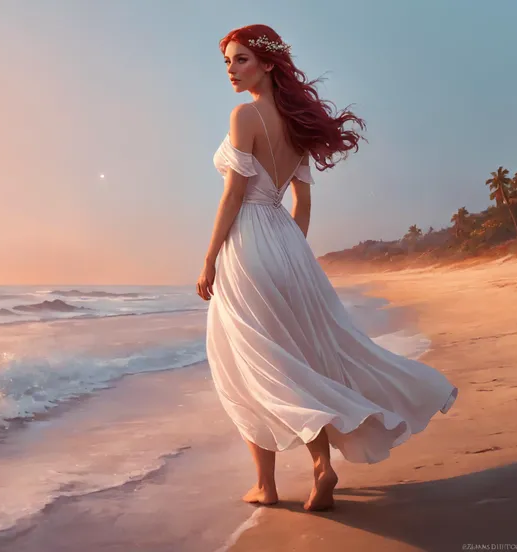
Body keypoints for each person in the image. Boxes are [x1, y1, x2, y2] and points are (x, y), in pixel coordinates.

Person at [196, 24, 458, 512]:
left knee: (252, 365)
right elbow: (303, 202)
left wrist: (210, 258)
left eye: (241, 60)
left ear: (268, 64)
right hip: (287, 244)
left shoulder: (244, 116)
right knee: (296, 360)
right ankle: (315, 467)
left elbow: (234, 194)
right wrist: (292, 256)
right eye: (228, 62)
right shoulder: (297, 126)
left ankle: (269, 486)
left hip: (247, 245)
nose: (231, 70)